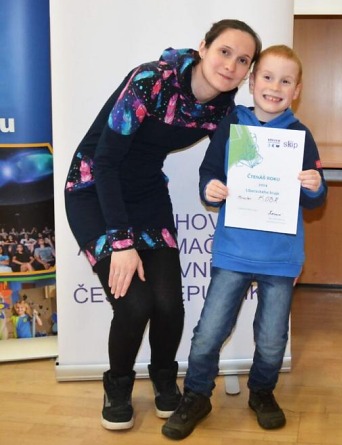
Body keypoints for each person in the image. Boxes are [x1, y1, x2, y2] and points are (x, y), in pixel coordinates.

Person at [64, 19, 261, 431]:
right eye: (224, 52)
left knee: (170, 303)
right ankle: (118, 386)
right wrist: (121, 242)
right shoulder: (150, 80)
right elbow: (105, 161)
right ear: (203, 47)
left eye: (243, 60)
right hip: (94, 188)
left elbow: (232, 166)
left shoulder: (224, 109)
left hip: (147, 193)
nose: (231, 65)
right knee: (135, 303)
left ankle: (164, 377)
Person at [162, 44, 328, 440]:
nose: (275, 87)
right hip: (233, 252)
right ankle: (196, 395)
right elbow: (209, 172)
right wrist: (211, 188)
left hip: (281, 257)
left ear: (296, 90)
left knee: (272, 338)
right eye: (267, 77)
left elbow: (315, 199)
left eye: (285, 81)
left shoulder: (300, 136)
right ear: (252, 82)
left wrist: (315, 186)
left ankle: (262, 393)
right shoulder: (232, 124)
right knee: (209, 332)